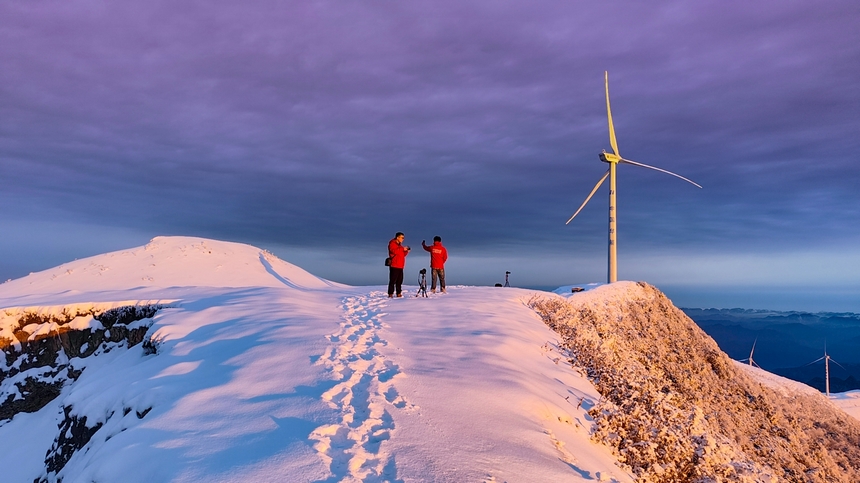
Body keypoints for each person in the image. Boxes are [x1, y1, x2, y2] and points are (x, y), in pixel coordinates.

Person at [387, 232, 410, 298]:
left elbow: (402, 255)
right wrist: (403, 249)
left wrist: (406, 251)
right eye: (402, 238)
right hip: (394, 265)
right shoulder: (392, 243)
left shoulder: (400, 246)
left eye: (403, 238)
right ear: (398, 237)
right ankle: (390, 294)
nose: (403, 239)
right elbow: (394, 251)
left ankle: (398, 293)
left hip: (400, 265)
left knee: (399, 281)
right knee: (392, 280)